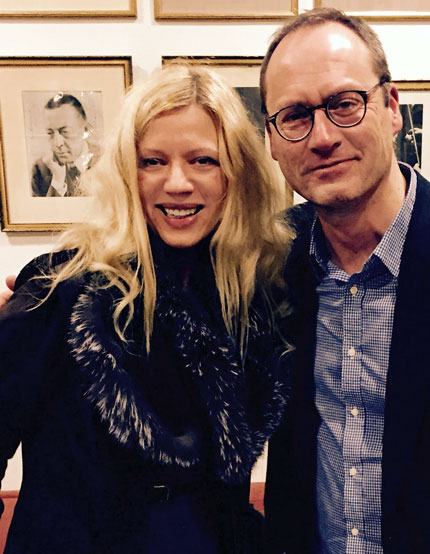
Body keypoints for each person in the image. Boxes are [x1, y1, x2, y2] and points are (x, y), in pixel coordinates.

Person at [0, 63, 293, 553]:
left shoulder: (252, 299)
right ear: (125, 172)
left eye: (203, 160)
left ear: (236, 173)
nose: (177, 183)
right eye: (152, 161)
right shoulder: (64, 291)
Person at [260, 7, 430, 554]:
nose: (323, 137)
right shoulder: (267, 266)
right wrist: (30, 297)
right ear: (271, 137)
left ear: (391, 106)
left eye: (344, 104)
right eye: (295, 116)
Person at [31, 93, 100, 197]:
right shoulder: (40, 169)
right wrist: (57, 182)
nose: (57, 143)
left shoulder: (104, 161)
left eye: (65, 131)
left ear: (85, 129)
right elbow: (36, 211)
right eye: (50, 133)